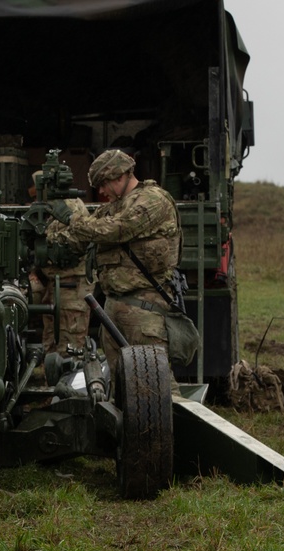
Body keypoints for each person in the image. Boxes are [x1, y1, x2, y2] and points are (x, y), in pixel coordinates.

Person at [49, 149, 181, 391]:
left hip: (143, 310)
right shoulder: (114, 207)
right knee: (119, 386)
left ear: (119, 176)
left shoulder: (153, 200)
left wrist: (72, 219)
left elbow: (116, 229)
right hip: (113, 308)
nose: (100, 192)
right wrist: (57, 240)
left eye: (103, 184)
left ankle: (174, 427)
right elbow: (90, 232)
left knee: (155, 386)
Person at [28, 170, 94, 356]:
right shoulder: (47, 205)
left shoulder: (69, 207)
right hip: (53, 280)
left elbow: (78, 241)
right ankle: (52, 380)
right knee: (51, 339)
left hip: (72, 282)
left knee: (70, 343)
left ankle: (70, 382)